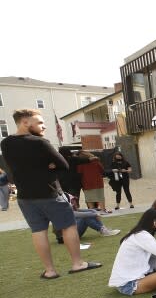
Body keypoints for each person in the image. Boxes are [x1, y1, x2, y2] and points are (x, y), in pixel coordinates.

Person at [0, 109, 101, 279]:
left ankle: (50, 271)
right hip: (49, 192)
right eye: (39, 122)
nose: (43, 126)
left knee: (38, 231)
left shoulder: (6, 143)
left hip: (25, 196)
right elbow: (63, 165)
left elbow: (13, 168)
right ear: (25, 122)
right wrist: (49, 166)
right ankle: (78, 264)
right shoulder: (40, 143)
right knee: (68, 226)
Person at [108, 209, 156, 295]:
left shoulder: (138, 234)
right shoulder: (142, 235)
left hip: (128, 282)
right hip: (129, 285)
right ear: (154, 221)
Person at [54, 195, 120, 243]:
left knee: (89, 215)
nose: (75, 202)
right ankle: (103, 230)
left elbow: (85, 211)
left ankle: (103, 229)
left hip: (69, 234)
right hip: (64, 238)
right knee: (85, 218)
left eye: (74, 200)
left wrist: (94, 211)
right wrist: (95, 214)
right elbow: (78, 214)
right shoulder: (63, 210)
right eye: (73, 200)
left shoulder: (68, 208)